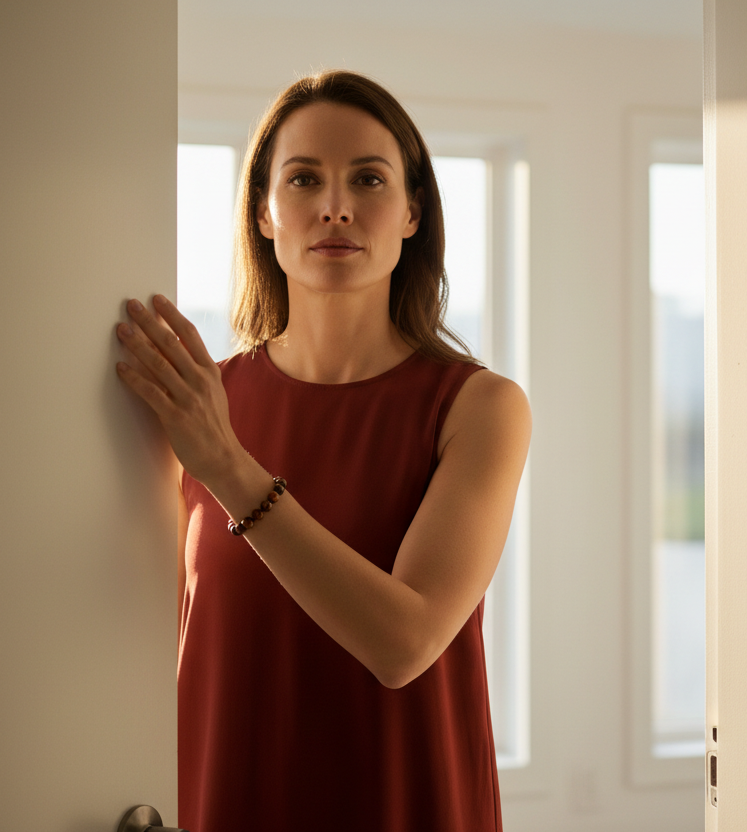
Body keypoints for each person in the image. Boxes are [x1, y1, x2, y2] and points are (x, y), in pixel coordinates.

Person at [114, 70, 531, 832]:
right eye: (303, 178)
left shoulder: (481, 407)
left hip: (405, 807)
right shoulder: (202, 403)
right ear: (265, 214)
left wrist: (228, 469)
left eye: (367, 179)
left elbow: (405, 644)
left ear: (411, 214)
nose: (335, 205)